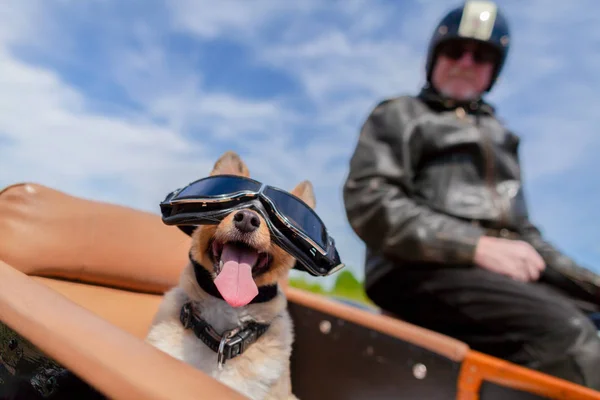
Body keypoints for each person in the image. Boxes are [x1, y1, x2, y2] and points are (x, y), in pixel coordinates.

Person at [342, 0, 600, 390]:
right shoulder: (401, 114)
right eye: (455, 50)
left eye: (481, 56)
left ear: (492, 71)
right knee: (568, 336)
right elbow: (371, 200)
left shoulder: (502, 138)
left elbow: (525, 235)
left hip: (499, 277)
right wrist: (475, 246)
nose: (466, 61)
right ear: (435, 55)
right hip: (416, 269)